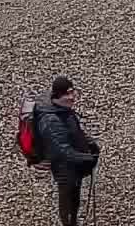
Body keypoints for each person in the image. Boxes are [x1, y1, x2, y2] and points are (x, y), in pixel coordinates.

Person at [34, 75, 100, 226]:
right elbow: (63, 151)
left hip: (74, 165)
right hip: (64, 168)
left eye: (72, 91)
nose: (72, 97)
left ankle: (73, 222)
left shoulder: (63, 109)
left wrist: (90, 143)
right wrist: (88, 158)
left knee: (75, 197)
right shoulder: (51, 122)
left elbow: (75, 131)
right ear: (57, 96)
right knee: (68, 199)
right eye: (68, 94)